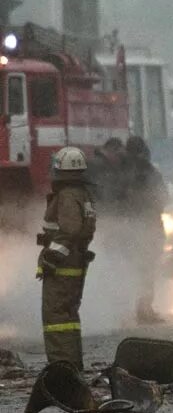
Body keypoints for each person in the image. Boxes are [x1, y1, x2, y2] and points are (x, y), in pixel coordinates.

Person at [36, 147, 97, 370]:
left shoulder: (68, 195)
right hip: (74, 263)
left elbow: (70, 230)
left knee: (55, 317)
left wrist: (52, 256)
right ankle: (71, 364)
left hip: (62, 267)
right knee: (68, 316)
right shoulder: (81, 193)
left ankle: (62, 367)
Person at [121, 136, 171, 324]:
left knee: (128, 269)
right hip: (148, 226)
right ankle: (144, 309)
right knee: (147, 270)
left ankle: (130, 309)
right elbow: (163, 198)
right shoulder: (150, 172)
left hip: (128, 227)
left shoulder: (120, 171)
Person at [87, 137, 127, 215]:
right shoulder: (96, 166)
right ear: (110, 151)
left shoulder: (110, 167)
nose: (120, 159)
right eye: (119, 155)